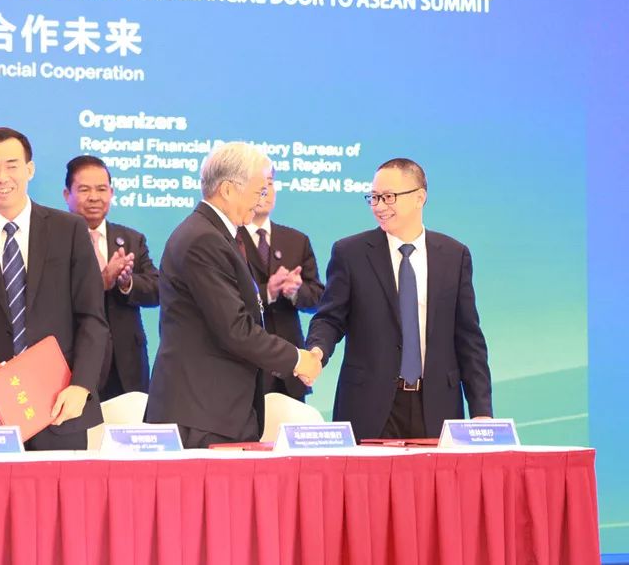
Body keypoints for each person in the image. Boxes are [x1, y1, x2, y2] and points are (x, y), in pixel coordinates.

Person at [0, 128, 108, 450]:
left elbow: (92, 318)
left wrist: (81, 385)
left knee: (58, 485)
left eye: (11, 165)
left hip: (59, 400)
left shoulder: (68, 230)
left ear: (30, 169)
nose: (2, 177)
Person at [144, 142, 323, 449]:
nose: (261, 200)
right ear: (228, 190)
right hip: (201, 415)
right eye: (258, 191)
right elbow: (235, 329)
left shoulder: (213, 234)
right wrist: (297, 359)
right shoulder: (204, 240)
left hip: (214, 412)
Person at [306, 158, 493, 440]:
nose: (379, 206)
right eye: (374, 197)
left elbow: (469, 339)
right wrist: (317, 351)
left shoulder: (454, 256)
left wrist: (481, 411)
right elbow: (330, 318)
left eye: (388, 197)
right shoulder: (351, 253)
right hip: (367, 404)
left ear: (420, 197)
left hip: (437, 405)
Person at [62, 155, 159, 398]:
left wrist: (127, 283)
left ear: (111, 193)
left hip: (126, 364)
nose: (94, 197)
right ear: (66, 195)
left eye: (101, 189)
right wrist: (101, 282)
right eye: (84, 189)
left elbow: (158, 289)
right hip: (76, 363)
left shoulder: (132, 239)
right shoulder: (54, 239)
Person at [237, 164, 324, 401]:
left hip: (291, 368)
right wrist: (268, 291)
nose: (265, 191)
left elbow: (318, 297)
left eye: (270, 184)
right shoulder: (231, 239)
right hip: (248, 365)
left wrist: (295, 291)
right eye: (260, 185)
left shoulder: (296, 240)